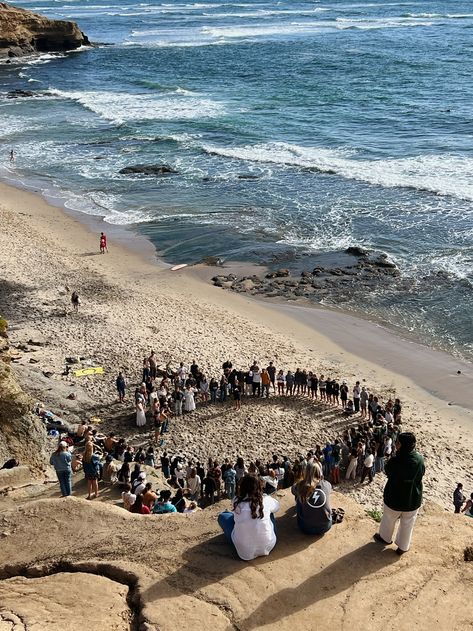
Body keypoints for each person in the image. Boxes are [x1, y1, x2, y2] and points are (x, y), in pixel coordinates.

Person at [374, 432, 425, 555]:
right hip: (413, 498)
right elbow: (422, 473)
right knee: (408, 524)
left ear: (401, 445)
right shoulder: (419, 459)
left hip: (394, 497)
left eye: (397, 442)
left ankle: (385, 538)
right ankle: (402, 547)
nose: (396, 444)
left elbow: (388, 472)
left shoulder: (396, 460)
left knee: (388, 519)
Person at [218, 474, 279, 561]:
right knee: (270, 513)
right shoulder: (266, 500)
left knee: (223, 516)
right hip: (268, 545)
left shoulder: (236, 500)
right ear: (259, 486)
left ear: (242, 487)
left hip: (244, 552)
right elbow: (277, 507)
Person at [292, 461, 332, 535]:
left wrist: (300, 481)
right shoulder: (326, 484)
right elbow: (329, 489)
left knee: (299, 499)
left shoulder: (300, 485)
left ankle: (303, 515)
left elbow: (293, 490)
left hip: (305, 527)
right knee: (326, 497)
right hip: (325, 526)